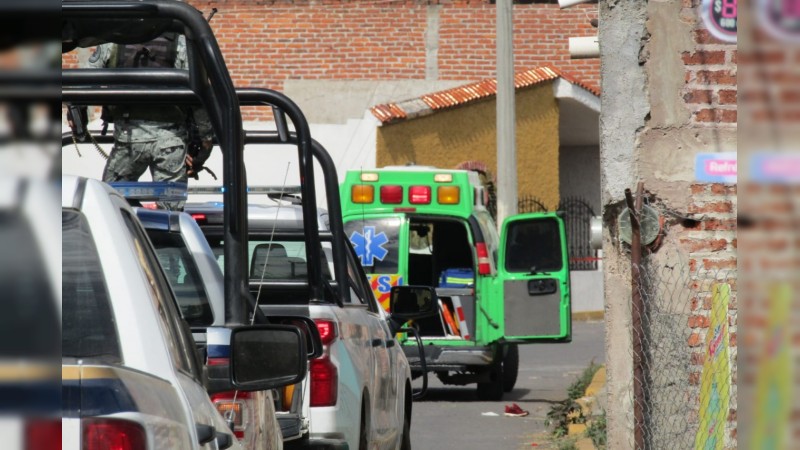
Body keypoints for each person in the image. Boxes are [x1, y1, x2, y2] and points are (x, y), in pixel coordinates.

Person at [84, 32, 213, 210]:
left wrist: (79, 119)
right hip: (170, 142)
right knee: (171, 211)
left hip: (128, 140)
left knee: (111, 202)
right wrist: (205, 142)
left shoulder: (114, 40)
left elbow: (84, 79)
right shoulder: (180, 42)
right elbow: (201, 95)